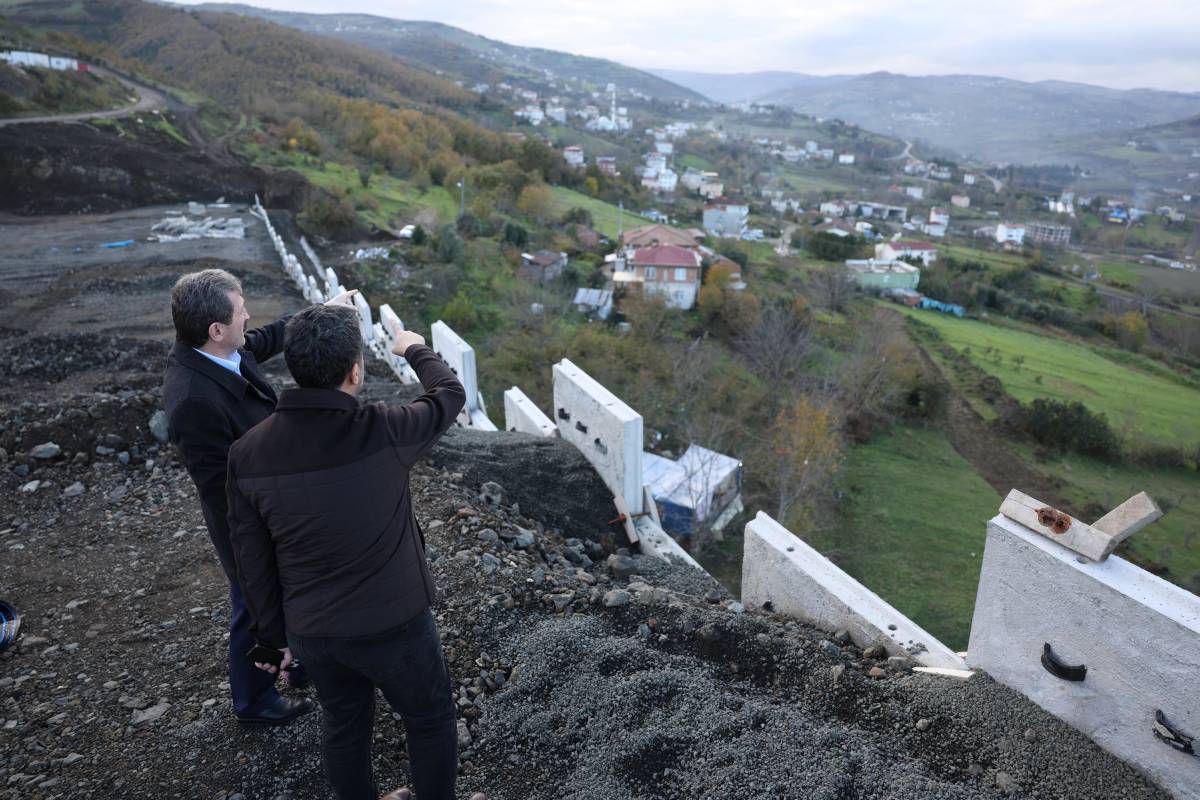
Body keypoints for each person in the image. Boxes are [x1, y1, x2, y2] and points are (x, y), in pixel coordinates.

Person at [225, 304, 478, 800]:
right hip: (395, 626)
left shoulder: (247, 453)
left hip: (314, 631)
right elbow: (449, 393)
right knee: (428, 719)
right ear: (356, 372)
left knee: (344, 723)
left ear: (293, 365)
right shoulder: (385, 428)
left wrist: (273, 638)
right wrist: (413, 348)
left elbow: (251, 561)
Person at [163, 268, 356, 726]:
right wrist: (271, 527)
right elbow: (219, 490)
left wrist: (322, 312)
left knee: (290, 590)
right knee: (254, 604)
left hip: (271, 502)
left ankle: (300, 664)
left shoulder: (219, 350)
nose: (248, 315)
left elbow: (267, 339)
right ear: (216, 329)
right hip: (246, 522)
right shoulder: (193, 401)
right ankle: (253, 701)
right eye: (240, 310)